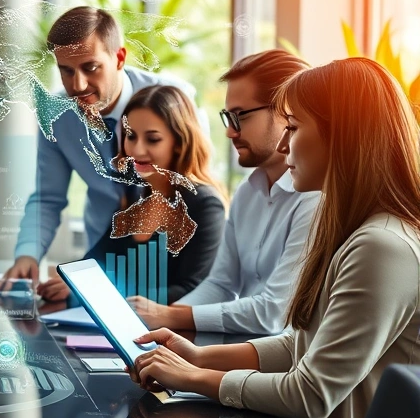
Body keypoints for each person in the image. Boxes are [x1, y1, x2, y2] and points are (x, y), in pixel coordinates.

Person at [127, 57, 420, 418]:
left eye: (293, 128)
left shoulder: (381, 246)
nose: (284, 143)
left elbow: (309, 395)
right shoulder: (356, 232)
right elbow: (303, 344)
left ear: (342, 136)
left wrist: (193, 377)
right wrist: (199, 357)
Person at [1, 6, 205, 294]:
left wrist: (100, 281)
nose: (78, 85)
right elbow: (48, 198)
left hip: (168, 265)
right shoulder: (56, 116)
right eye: (66, 70)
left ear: (119, 58)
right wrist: (27, 255)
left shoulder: (173, 100)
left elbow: (194, 189)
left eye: (90, 67)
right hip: (101, 256)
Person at [130, 49, 320, 334]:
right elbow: (220, 284)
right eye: (227, 117)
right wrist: (161, 319)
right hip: (240, 346)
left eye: (240, 116)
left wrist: (171, 317)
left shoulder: (315, 197)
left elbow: (273, 313)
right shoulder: (247, 192)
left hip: (281, 356)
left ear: (286, 111)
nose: (230, 132)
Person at [38, 85, 226, 304]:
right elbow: (94, 264)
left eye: (152, 139)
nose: (136, 150)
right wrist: (73, 282)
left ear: (179, 142)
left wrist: (94, 292)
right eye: (131, 136)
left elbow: (192, 290)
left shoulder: (205, 205)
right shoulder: (137, 197)